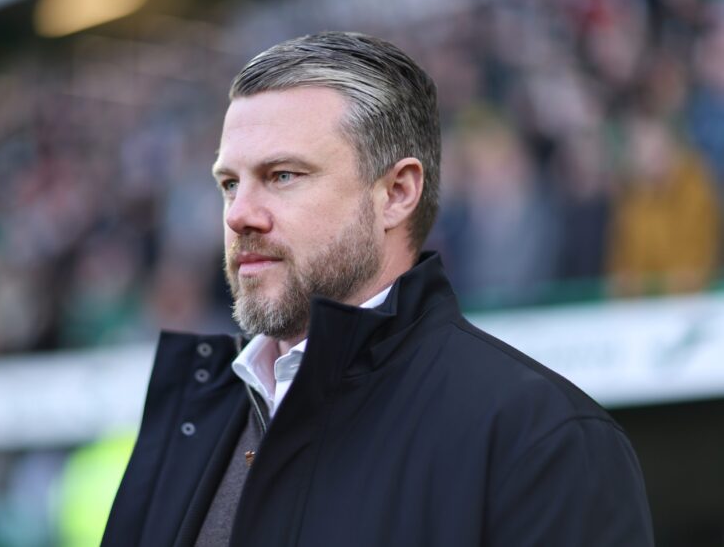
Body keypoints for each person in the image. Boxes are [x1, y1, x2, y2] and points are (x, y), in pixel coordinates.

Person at [102, 31, 654, 547]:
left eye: (282, 176)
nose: (240, 214)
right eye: (229, 183)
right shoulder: (196, 421)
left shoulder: (542, 441)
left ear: (396, 193)